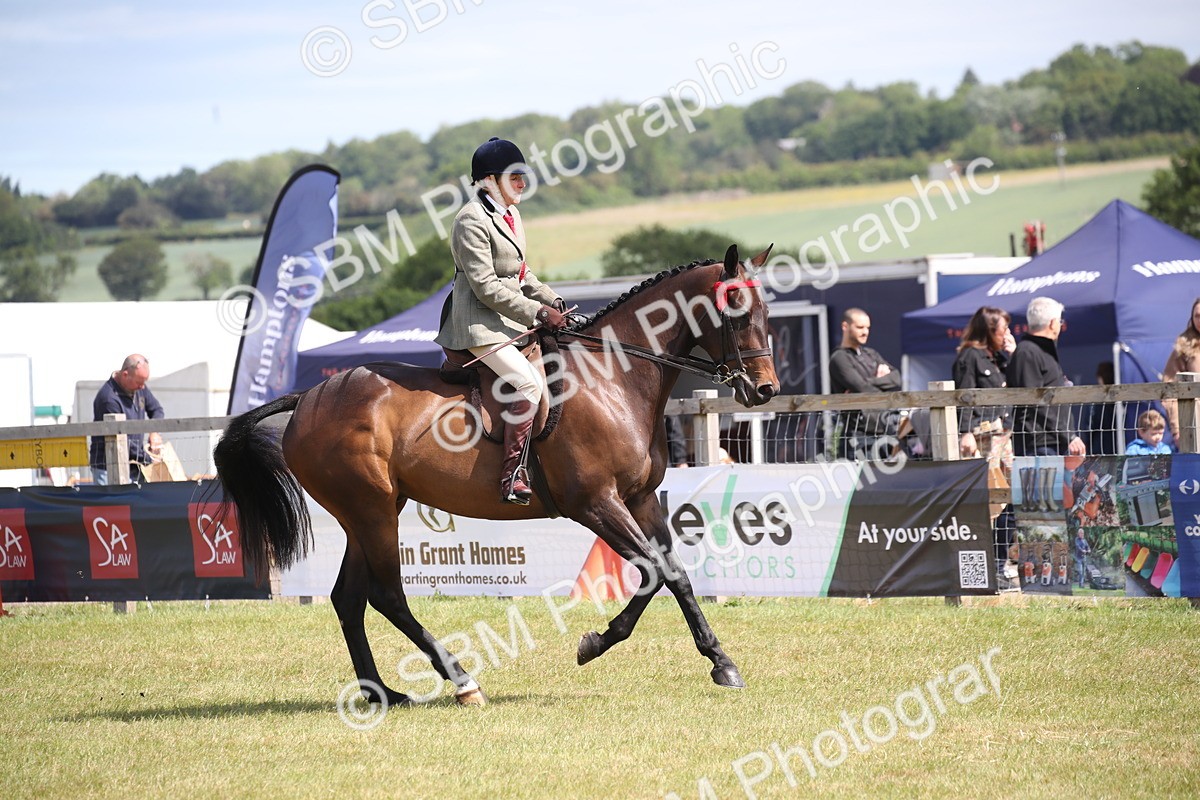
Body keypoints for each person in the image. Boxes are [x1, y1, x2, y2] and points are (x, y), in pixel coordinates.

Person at [435, 137, 568, 505]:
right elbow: (486, 287)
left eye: (523, 177)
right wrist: (538, 313)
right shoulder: (470, 220)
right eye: (515, 177)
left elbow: (521, 273)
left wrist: (552, 298)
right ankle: (512, 475)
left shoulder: (511, 214)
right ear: (490, 180)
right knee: (528, 385)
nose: (523, 184)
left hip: (509, 322)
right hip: (479, 324)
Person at [1006, 296, 1086, 457]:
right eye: (1059, 322)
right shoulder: (1028, 351)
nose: (1060, 326)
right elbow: (1036, 402)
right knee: (1041, 484)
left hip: (1052, 441)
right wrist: (1068, 435)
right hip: (1038, 444)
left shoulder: (1039, 351)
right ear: (1052, 323)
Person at [829, 308, 902, 459]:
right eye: (860, 327)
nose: (865, 332)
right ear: (845, 326)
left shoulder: (871, 354)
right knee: (858, 481)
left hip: (884, 431)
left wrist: (870, 382)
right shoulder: (839, 358)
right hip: (858, 434)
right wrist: (881, 381)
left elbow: (896, 379)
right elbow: (863, 389)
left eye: (867, 327)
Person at [88, 354, 165, 485]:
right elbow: (123, 441)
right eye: (139, 382)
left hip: (134, 465)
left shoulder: (140, 388)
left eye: (144, 382)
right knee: (111, 505)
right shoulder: (108, 399)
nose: (142, 387)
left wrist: (154, 431)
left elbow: (157, 410)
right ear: (125, 374)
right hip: (108, 467)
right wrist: (150, 459)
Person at [952, 306, 1016, 458]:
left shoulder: (1000, 358)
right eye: (1004, 328)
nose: (1008, 333)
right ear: (990, 330)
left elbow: (1019, 383)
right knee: (988, 480)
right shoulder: (969, 356)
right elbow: (964, 396)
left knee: (1007, 480)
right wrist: (966, 432)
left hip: (1004, 433)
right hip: (982, 435)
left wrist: (1014, 354)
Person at [1162, 297, 1200, 444]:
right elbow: (1170, 390)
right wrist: (1177, 429)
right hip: (1194, 424)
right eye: (1197, 316)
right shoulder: (1183, 347)